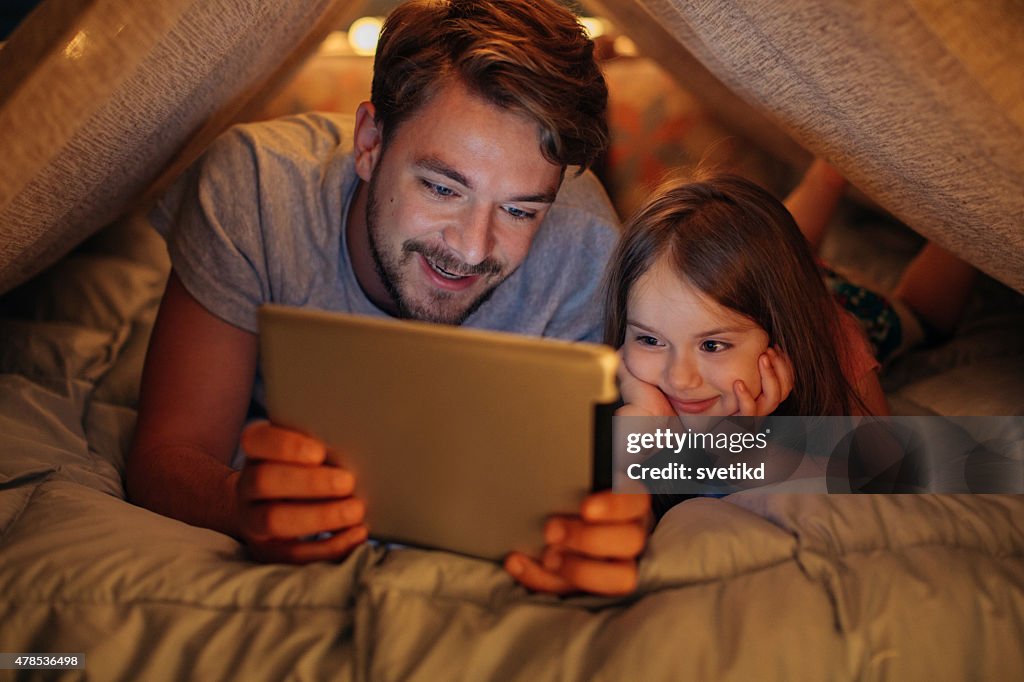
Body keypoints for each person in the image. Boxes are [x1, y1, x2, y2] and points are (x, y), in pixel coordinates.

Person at [127, 0, 649, 597]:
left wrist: (632, 518)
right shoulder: (254, 188)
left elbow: (712, 456)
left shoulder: (589, 250)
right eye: (442, 187)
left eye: (519, 210)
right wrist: (234, 504)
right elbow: (167, 453)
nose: (473, 249)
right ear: (370, 142)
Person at [606, 162, 976, 421]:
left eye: (712, 345)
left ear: (778, 334)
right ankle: (829, 172)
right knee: (782, 249)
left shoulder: (835, 339)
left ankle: (971, 203)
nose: (679, 379)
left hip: (853, 309)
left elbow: (878, 463)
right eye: (651, 341)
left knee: (921, 315)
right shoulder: (628, 362)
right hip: (775, 283)